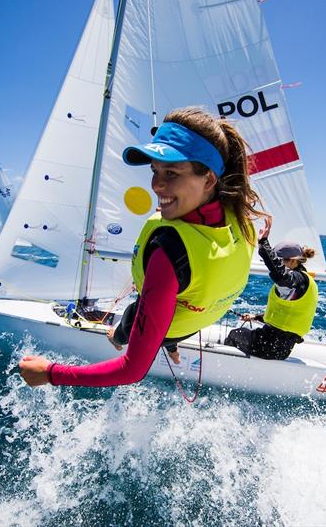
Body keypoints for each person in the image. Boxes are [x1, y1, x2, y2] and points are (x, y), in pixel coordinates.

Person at [18, 107, 267, 388]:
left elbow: (131, 370)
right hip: (195, 318)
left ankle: (125, 337)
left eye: (171, 172)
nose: (156, 185)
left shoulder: (170, 252)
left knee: (132, 317)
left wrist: (50, 373)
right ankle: (167, 343)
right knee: (157, 313)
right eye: (155, 170)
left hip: (171, 323)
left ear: (209, 179)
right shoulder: (241, 220)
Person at [223, 216, 319, 360]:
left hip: (270, 346)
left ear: (292, 261)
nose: (276, 265)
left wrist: (263, 244)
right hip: (280, 347)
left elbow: (280, 275)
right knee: (246, 333)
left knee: (235, 334)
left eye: (279, 261)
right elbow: (284, 317)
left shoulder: (297, 280)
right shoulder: (302, 282)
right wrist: (256, 317)